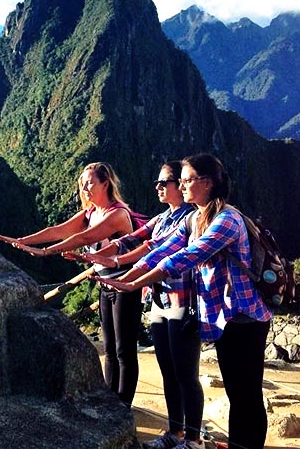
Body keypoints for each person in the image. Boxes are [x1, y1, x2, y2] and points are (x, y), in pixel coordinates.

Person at [95, 153, 272, 449]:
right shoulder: (193, 218)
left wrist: (134, 283)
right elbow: (163, 249)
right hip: (225, 319)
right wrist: (125, 274)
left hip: (247, 318)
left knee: (246, 393)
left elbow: (188, 256)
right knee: (234, 390)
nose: (183, 185)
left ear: (207, 183)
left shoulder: (227, 219)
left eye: (188, 180)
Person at [72, 160, 200, 449]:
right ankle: (175, 432)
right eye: (158, 182)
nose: (158, 187)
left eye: (164, 182)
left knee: (185, 374)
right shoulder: (163, 218)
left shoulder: (191, 218)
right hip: (160, 299)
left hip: (183, 300)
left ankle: (193, 439)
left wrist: (126, 278)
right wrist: (101, 258)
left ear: (179, 184)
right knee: (168, 369)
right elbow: (132, 241)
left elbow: (158, 253)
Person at [0, 161, 140, 405]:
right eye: (82, 183)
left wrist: (45, 253)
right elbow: (58, 230)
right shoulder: (91, 213)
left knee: (124, 350)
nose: (85, 188)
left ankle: (123, 405)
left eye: (90, 183)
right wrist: (22, 241)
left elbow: (83, 237)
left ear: (106, 183)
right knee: (110, 349)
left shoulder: (117, 214)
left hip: (125, 285)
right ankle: (111, 400)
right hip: (105, 284)